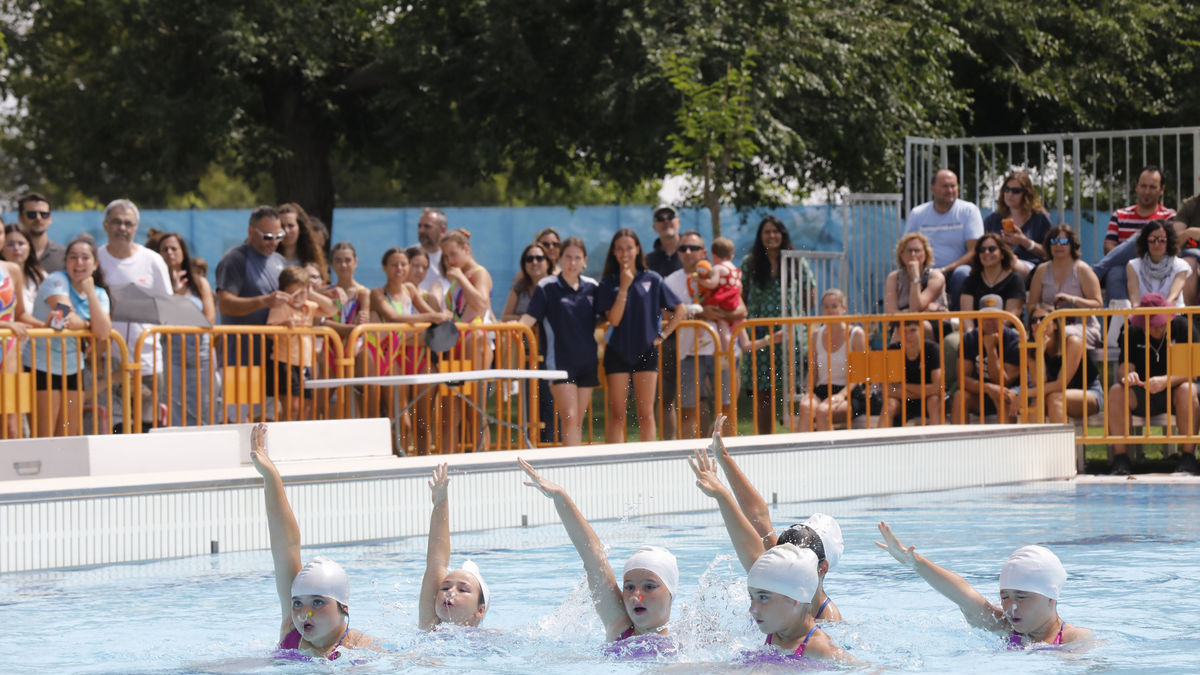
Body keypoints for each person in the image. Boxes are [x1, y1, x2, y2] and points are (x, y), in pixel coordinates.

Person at [690, 418, 844, 623]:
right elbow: (759, 519)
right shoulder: (780, 570)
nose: (786, 560)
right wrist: (723, 457)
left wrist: (723, 495)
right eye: (783, 552)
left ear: (821, 569)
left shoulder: (827, 621)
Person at [518, 457, 678, 651]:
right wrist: (561, 497)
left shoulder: (683, 646)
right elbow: (593, 556)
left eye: (649, 587)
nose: (636, 595)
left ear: (670, 593)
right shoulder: (620, 627)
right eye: (628, 587)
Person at [249, 423, 377, 659]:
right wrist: (271, 477)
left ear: (343, 607)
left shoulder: (361, 647)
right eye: (297, 603)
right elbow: (285, 546)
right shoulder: (292, 632)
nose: (303, 614)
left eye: (317, 603)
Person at [876, 522, 1091, 648]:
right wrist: (914, 562)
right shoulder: (1003, 627)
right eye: (1005, 597)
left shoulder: (1074, 640)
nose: (1011, 607)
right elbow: (962, 593)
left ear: (1051, 596)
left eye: (1022, 597)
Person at [595, 228, 684, 443]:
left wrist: (662, 335)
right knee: (617, 414)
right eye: (619, 249)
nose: (624, 253)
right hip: (617, 352)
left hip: (646, 351)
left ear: (637, 249)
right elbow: (614, 319)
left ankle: (649, 463)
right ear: (614, 253)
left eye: (629, 248)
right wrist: (624, 286)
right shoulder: (608, 282)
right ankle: (613, 463)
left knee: (646, 414)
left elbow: (680, 310)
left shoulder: (652, 279)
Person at [23, 236, 111, 437]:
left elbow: (104, 332)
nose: (79, 263)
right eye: (73, 257)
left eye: (85, 258)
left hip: (72, 368)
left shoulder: (98, 293)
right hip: (41, 365)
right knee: (44, 436)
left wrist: (89, 292)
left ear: (95, 264)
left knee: (68, 435)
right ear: (66, 262)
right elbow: (64, 316)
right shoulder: (56, 280)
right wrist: (89, 325)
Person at [96, 199, 173, 430]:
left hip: (147, 360)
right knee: (112, 426)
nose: (122, 228)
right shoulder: (95, 259)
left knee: (146, 428)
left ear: (135, 228)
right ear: (105, 225)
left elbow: (167, 306)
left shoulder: (153, 261)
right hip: (104, 360)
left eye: (128, 223)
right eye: (117, 222)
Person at [367, 248, 450, 453]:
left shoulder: (411, 290)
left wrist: (438, 316)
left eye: (403, 264)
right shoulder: (377, 293)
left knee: (423, 422)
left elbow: (430, 313)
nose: (399, 269)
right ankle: (398, 464)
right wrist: (432, 318)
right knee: (401, 422)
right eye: (394, 264)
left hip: (420, 358)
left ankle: (424, 464)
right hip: (393, 359)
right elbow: (394, 318)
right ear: (385, 267)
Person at [663, 232, 746, 438]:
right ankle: (690, 457)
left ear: (704, 252)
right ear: (679, 253)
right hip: (689, 354)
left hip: (722, 352)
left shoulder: (717, 272)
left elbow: (742, 310)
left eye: (693, 248)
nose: (688, 252)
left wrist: (713, 312)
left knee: (726, 409)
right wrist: (698, 313)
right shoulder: (672, 281)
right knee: (689, 410)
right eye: (683, 248)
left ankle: (719, 457)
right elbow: (666, 314)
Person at [1106, 292, 1199, 475]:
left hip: (1176, 391)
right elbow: (1124, 369)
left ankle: (1188, 457)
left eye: (1160, 323)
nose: (1157, 328)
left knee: (1187, 389)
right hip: (1144, 391)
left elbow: (1191, 373)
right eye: (1152, 324)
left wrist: (1165, 381)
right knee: (1117, 390)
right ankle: (1121, 459)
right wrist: (1128, 376)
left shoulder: (1182, 327)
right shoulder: (1131, 330)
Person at [519, 237, 598, 447]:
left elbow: (608, 316)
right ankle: (571, 469)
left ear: (585, 261)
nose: (573, 262)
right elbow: (529, 318)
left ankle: (576, 466)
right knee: (569, 417)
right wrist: (513, 332)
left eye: (577, 258)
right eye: (568, 257)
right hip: (560, 363)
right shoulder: (547, 286)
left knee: (577, 421)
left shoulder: (592, 287)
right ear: (560, 259)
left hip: (587, 362)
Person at [148, 232, 220, 426]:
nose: (169, 253)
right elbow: (162, 318)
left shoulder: (199, 282)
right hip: (171, 352)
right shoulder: (158, 284)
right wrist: (176, 294)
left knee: (205, 402)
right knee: (174, 404)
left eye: (174, 248)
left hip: (201, 352)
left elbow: (209, 318)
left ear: (183, 252)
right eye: (164, 249)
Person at [741, 215, 803, 435]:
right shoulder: (750, 263)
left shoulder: (796, 261)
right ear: (760, 236)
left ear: (783, 234)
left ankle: (797, 438)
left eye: (775, 231)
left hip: (790, 333)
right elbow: (742, 295)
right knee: (763, 391)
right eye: (766, 232)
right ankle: (764, 439)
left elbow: (809, 292)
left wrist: (798, 315)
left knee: (795, 388)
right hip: (760, 332)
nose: (771, 236)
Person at [215, 206, 289, 385]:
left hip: (274, 359)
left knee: (271, 414)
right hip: (241, 359)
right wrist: (265, 301)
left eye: (279, 236)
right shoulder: (235, 259)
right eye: (268, 237)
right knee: (241, 413)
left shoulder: (280, 261)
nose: (274, 242)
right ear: (251, 231)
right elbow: (225, 304)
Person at [742, 545, 853, 662]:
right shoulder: (777, 629)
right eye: (751, 597)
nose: (752, 609)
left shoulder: (821, 649)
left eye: (763, 597)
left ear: (795, 598)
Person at [419, 464, 490, 629]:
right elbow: (437, 563)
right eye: (444, 587)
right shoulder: (431, 625)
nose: (450, 592)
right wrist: (440, 503)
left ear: (480, 611)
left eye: (463, 590)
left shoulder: (490, 639)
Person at [1093, 166, 1177, 301]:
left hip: (1159, 267)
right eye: (1143, 186)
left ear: (1162, 190)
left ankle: (1095, 272)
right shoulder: (1120, 215)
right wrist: (1132, 262)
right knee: (1115, 273)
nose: (1147, 191)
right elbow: (1109, 247)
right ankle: (1118, 322)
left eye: (1152, 187)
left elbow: (1170, 247)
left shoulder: (1170, 216)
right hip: (1128, 268)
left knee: (1142, 235)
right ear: (1136, 187)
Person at [903, 169, 984, 310]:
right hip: (924, 272)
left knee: (963, 273)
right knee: (896, 276)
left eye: (953, 186)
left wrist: (945, 270)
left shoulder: (968, 211)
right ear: (932, 189)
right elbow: (906, 248)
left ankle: (959, 323)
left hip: (953, 272)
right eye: (945, 186)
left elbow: (975, 251)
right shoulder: (918, 213)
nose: (950, 190)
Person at [266, 266, 335, 420]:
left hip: (305, 363)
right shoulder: (280, 307)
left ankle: (298, 441)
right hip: (284, 361)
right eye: (293, 293)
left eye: (301, 293)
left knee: (306, 407)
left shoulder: (307, 307)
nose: (297, 298)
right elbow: (269, 332)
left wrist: (311, 294)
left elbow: (331, 310)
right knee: (292, 407)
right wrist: (284, 324)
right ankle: (284, 439)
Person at [794, 289, 867, 431]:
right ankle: (801, 451)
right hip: (822, 390)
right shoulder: (816, 334)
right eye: (826, 307)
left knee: (822, 411)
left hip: (850, 393)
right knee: (805, 407)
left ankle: (827, 452)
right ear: (821, 309)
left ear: (843, 308)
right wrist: (809, 393)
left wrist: (841, 395)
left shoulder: (856, 334)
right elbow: (813, 369)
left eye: (834, 306)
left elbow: (860, 374)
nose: (830, 311)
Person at [1027, 225, 1102, 350]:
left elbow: (1097, 304)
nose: (1058, 245)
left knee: (1063, 333)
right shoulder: (1041, 270)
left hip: (1082, 327)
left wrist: (1072, 300)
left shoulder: (1082, 269)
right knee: (1023, 338)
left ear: (1072, 245)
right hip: (1047, 326)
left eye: (1064, 242)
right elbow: (1032, 305)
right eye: (1054, 241)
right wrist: (1046, 312)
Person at [644, 207, 682, 440]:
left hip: (697, 335)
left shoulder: (692, 252)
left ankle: (703, 448)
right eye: (661, 218)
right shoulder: (649, 261)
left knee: (699, 396)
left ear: (678, 222)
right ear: (654, 226)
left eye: (670, 217)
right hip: (664, 336)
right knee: (666, 397)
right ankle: (669, 448)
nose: (666, 221)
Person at [1028, 304, 1101, 425]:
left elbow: (1060, 385)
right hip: (1054, 393)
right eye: (1033, 320)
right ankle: (1033, 444)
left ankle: (1060, 444)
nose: (1038, 323)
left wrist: (1026, 394)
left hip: (1088, 392)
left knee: (1055, 398)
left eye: (1043, 319)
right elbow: (1038, 383)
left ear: (1056, 324)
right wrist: (1039, 352)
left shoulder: (1073, 342)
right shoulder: (1031, 348)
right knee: (1037, 402)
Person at [953, 302, 1022, 423]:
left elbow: (1002, 381)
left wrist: (991, 349)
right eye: (986, 318)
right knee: (960, 396)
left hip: (1010, 392)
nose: (990, 322)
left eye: (994, 317)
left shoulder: (1014, 341)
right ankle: (957, 441)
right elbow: (962, 380)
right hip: (980, 393)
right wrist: (987, 387)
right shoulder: (968, 339)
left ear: (1003, 318)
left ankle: (1007, 440)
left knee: (1003, 396)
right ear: (979, 319)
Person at [982, 171, 1052, 276]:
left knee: (1010, 265)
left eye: (1016, 191)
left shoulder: (1040, 218)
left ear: (1026, 194)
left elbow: (1049, 252)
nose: (1010, 194)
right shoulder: (993, 219)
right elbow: (981, 248)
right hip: (996, 263)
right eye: (1007, 189)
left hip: (1029, 267)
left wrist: (1024, 241)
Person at [959, 233, 1025, 332]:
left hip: (1007, 334)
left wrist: (991, 334)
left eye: (992, 249)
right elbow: (967, 316)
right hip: (977, 333)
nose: (986, 252)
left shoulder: (1015, 280)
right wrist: (973, 337)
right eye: (982, 250)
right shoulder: (970, 281)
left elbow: (1010, 316)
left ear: (1002, 254)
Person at [688, 236, 743, 352]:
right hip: (733, 300)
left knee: (700, 310)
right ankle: (728, 352)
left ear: (713, 255)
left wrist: (699, 280)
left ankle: (701, 337)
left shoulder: (718, 267)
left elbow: (712, 284)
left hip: (723, 299)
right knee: (722, 325)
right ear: (731, 255)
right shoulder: (734, 268)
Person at [884, 320, 944, 426]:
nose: (908, 336)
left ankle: (936, 441)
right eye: (904, 331)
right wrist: (924, 391)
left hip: (926, 399)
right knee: (889, 404)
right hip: (904, 400)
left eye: (912, 330)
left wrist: (903, 386)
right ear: (898, 332)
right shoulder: (892, 350)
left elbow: (937, 388)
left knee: (934, 401)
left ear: (921, 330)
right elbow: (888, 390)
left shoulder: (933, 349)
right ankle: (880, 441)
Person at [1126, 219, 1190, 307]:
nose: (1156, 244)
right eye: (1152, 240)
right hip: (1143, 316)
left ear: (1169, 242)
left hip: (1172, 315)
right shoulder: (1133, 266)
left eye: (1162, 240)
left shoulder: (1181, 265)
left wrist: (1160, 317)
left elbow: (1172, 298)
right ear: (1145, 242)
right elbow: (1135, 301)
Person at [883, 232, 948, 315]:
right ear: (901, 254)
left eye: (917, 251)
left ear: (925, 254)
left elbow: (916, 307)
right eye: (909, 251)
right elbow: (890, 311)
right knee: (902, 328)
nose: (913, 254)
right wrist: (911, 316)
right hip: (902, 324)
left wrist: (915, 277)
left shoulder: (936, 276)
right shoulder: (894, 277)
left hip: (932, 324)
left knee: (919, 326)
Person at [16, 192, 65, 273]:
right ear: (20, 218)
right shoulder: (8, 253)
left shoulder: (64, 255)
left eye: (44, 214)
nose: (38, 218)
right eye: (32, 214)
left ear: (50, 218)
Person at [277, 203, 328, 280]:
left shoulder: (312, 261)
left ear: (300, 228)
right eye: (281, 226)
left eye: (291, 226)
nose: (286, 231)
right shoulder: (268, 260)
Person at [500, 243, 550, 321]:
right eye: (529, 259)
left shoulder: (555, 286)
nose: (534, 262)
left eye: (539, 258)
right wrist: (527, 320)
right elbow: (505, 317)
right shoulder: (519, 286)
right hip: (522, 332)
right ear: (524, 265)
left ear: (547, 263)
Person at [4, 224, 45, 313]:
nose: (16, 248)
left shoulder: (41, 275)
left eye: (21, 243)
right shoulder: (2, 280)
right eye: (10, 244)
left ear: (29, 246)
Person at [416, 208, 449, 294]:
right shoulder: (409, 254)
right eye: (419, 226)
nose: (421, 230)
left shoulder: (451, 256)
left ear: (442, 230)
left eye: (427, 226)